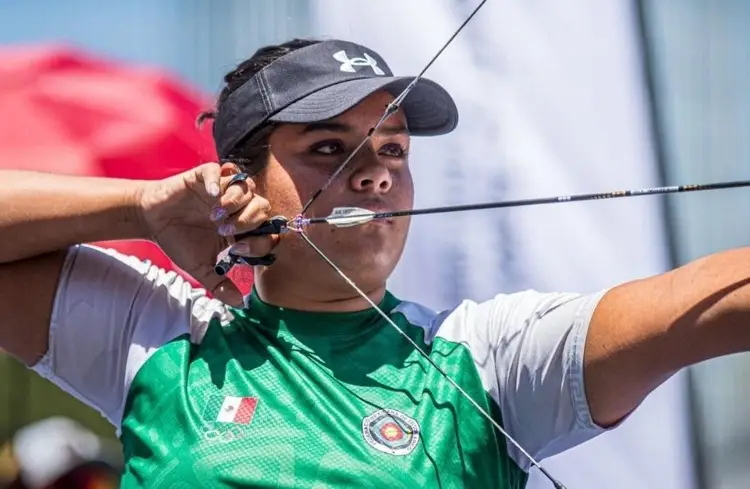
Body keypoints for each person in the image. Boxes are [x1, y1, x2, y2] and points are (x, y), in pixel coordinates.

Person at [0, 37, 748, 489]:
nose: (376, 173)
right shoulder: (161, 334)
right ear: (235, 180)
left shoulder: (487, 356)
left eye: (392, 150)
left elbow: (716, 298)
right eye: (330, 147)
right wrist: (140, 207)